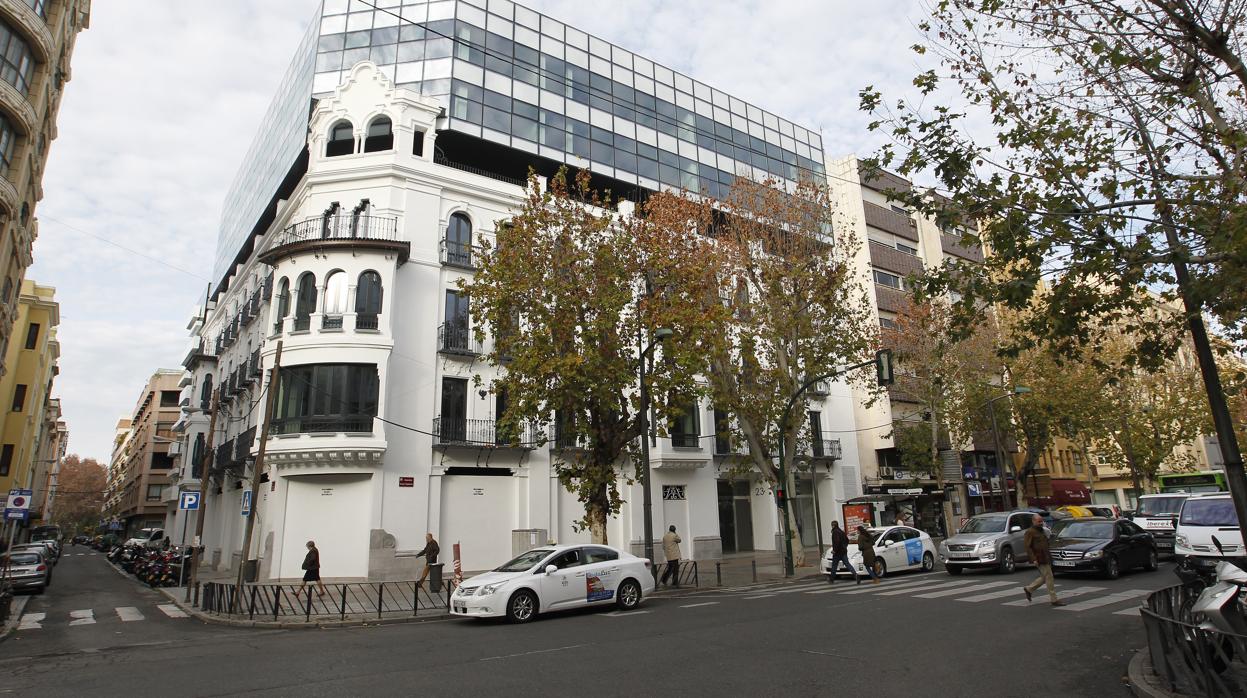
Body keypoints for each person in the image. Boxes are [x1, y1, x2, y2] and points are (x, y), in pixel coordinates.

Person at [1023, 514, 1065, 606]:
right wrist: (1033, 559)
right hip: (1039, 557)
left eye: (1041, 521)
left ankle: (1029, 589)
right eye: (1039, 521)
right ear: (1033, 521)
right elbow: (1027, 547)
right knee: (1049, 577)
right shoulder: (1030, 532)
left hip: (1045, 556)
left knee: (1045, 577)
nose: (1041, 523)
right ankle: (1054, 599)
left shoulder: (1041, 530)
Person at [827, 521, 858, 585]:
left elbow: (837, 542)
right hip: (843, 551)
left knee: (834, 566)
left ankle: (831, 579)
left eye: (832, 525)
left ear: (832, 526)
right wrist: (844, 547)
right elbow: (847, 540)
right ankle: (855, 575)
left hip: (837, 552)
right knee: (847, 564)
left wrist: (834, 550)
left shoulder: (835, 532)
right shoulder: (841, 531)